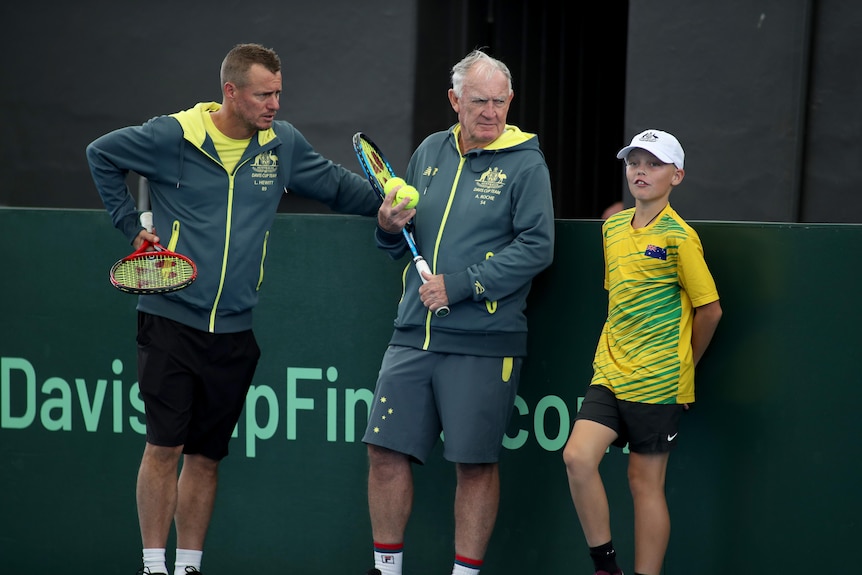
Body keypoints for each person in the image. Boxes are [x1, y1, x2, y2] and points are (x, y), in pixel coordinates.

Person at [86, 43, 381, 575]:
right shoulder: (173, 135)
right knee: (164, 447)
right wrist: (132, 227)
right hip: (171, 319)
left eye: (278, 93)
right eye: (263, 94)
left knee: (205, 456)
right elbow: (100, 154)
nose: (274, 104)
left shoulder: (281, 144)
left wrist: (386, 206)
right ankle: (154, 564)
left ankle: (189, 566)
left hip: (236, 331)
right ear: (231, 91)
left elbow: (336, 187)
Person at [362, 49, 555, 575]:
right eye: (479, 102)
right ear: (455, 101)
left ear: (510, 100)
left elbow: (538, 246)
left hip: (484, 339)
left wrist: (464, 285)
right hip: (411, 333)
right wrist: (387, 225)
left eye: (499, 101)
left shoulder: (527, 163)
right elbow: (402, 242)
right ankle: (387, 569)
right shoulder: (428, 151)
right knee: (383, 452)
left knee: (473, 465)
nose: (491, 112)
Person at [562, 129, 723, 575]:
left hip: (659, 380)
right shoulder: (611, 227)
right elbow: (618, 296)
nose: (641, 171)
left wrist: (683, 365)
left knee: (643, 484)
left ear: (677, 175)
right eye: (635, 162)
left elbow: (709, 310)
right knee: (577, 457)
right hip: (608, 372)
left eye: (654, 164)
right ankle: (606, 566)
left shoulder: (680, 238)